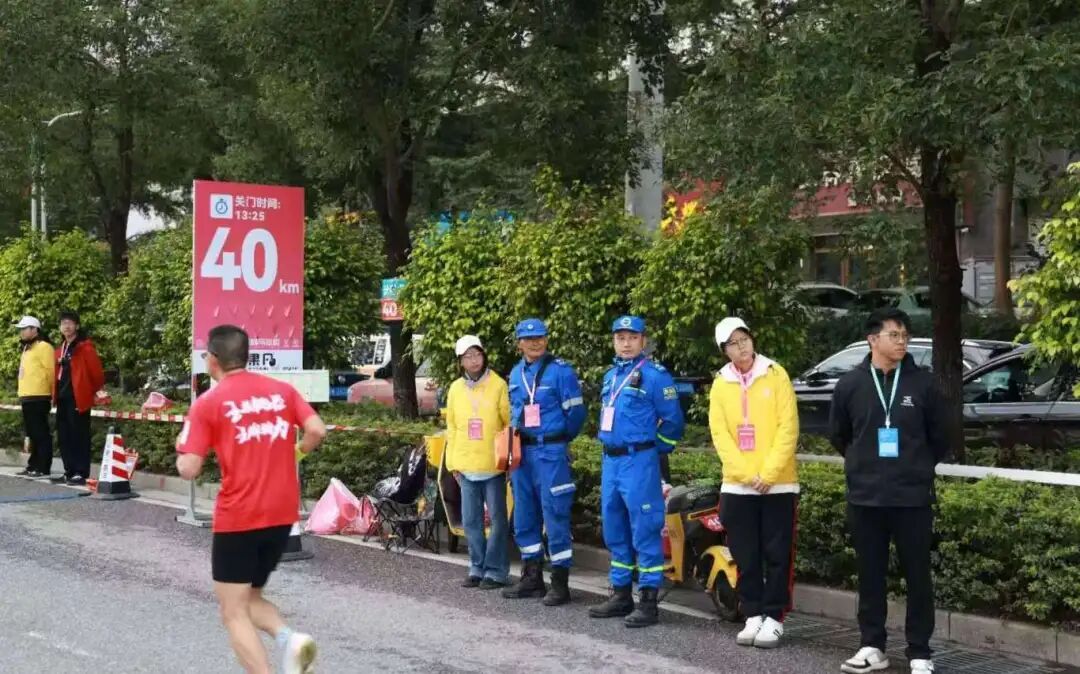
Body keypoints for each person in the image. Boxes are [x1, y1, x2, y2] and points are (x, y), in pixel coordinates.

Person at [175, 325, 327, 674]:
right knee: (250, 597)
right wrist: (298, 452)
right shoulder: (282, 391)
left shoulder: (208, 403)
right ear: (246, 355)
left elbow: (189, 468)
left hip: (239, 516)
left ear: (212, 359)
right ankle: (290, 639)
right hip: (282, 514)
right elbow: (317, 429)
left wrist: (181, 450)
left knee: (232, 611)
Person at [830, 308, 947, 674]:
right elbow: (840, 435)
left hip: (912, 498)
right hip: (866, 498)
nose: (901, 341)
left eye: (904, 336)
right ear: (872, 339)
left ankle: (919, 652)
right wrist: (863, 465)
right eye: (894, 335)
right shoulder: (850, 385)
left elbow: (940, 437)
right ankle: (871, 645)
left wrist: (916, 468)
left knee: (918, 576)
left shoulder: (923, 384)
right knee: (869, 575)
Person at [709, 317, 800, 649]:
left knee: (777, 552)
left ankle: (774, 617)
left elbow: (788, 427)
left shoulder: (775, 374)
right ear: (724, 350)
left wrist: (768, 474)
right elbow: (720, 435)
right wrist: (747, 475)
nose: (741, 347)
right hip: (738, 485)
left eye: (744, 339)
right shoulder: (721, 383)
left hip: (778, 484)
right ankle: (753, 614)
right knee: (745, 553)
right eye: (733, 343)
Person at [588, 316, 684, 627]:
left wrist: (654, 450)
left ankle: (648, 600)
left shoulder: (655, 376)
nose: (626, 343)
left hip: (638, 462)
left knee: (645, 528)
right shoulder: (611, 376)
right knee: (614, 528)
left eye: (632, 337)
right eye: (620, 338)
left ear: (643, 341)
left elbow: (673, 422)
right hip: (611, 462)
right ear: (614, 341)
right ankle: (620, 595)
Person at [502, 318, 586, 606]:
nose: (535, 342)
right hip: (522, 454)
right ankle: (532, 578)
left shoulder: (561, 372)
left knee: (555, 514)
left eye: (539, 337)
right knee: (524, 515)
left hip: (550, 453)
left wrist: (558, 439)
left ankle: (560, 584)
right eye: (528, 339)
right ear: (519, 344)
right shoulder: (516, 373)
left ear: (547, 340)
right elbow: (515, 412)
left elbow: (576, 415)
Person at [444, 334, 511, 589]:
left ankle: (496, 571)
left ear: (484, 356)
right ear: (460, 361)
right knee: (471, 521)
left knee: (498, 520)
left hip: (493, 464)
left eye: (477, 354)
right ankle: (476, 567)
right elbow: (452, 427)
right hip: (465, 465)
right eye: (467, 356)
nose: (473, 360)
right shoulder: (455, 388)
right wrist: (452, 464)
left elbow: (508, 423)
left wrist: (508, 461)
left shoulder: (498, 385)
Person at [52, 310, 104, 486]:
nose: (66, 326)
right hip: (62, 397)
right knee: (64, 435)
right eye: (63, 323)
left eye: (70, 323)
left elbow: (97, 374)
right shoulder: (60, 349)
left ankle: (80, 472)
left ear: (77, 326)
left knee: (79, 435)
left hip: (78, 398)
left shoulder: (85, 348)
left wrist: (90, 391)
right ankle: (69, 470)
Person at [14, 316, 55, 478]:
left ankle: (43, 467)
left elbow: (51, 372)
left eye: (24, 328)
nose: (22, 332)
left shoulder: (44, 347)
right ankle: (33, 465)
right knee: (32, 433)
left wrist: (52, 393)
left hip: (39, 395)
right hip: (27, 396)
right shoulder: (27, 348)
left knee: (40, 432)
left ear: (34, 329)